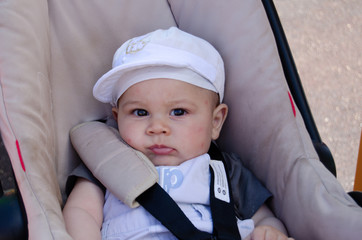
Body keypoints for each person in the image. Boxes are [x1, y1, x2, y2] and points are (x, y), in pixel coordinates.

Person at [63, 27, 293, 240]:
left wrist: (269, 231)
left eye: (178, 112)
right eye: (140, 112)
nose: (157, 127)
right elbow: (80, 212)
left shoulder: (226, 170)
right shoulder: (107, 163)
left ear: (215, 121)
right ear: (117, 118)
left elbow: (265, 218)